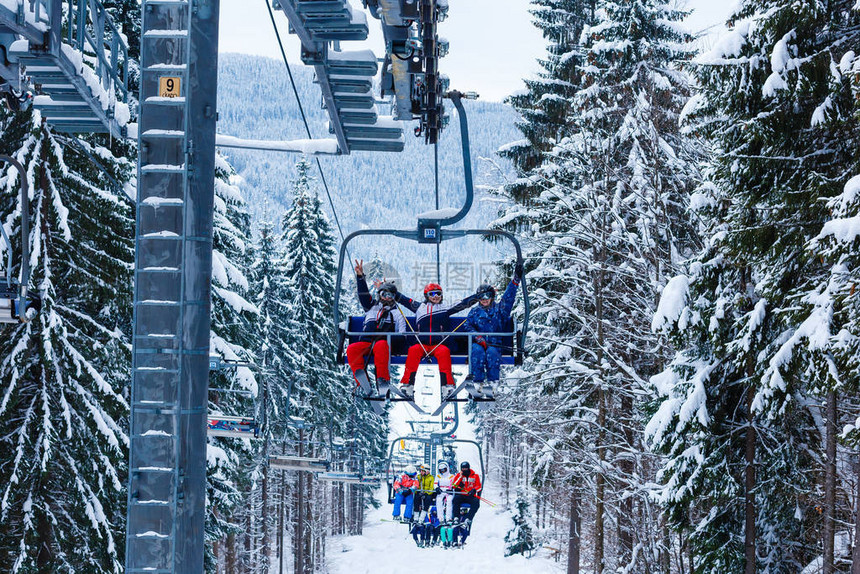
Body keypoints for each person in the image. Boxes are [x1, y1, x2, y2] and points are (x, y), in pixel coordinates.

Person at [395, 283, 478, 398]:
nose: (436, 296)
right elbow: (403, 300)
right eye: (432, 294)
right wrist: (391, 290)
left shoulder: (445, 308)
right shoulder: (419, 308)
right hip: (422, 344)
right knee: (413, 351)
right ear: (426, 295)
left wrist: (478, 296)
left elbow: (463, 304)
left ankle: (447, 386)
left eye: (438, 293)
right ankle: (408, 384)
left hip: (438, 344)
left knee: (444, 353)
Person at [346, 259, 406, 393]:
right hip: (367, 343)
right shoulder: (371, 307)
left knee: (381, 345)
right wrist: (360, 277)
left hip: (383, 345)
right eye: (384, 294)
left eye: (390, 295)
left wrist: (388, 339)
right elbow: (363, 296)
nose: (387, 298)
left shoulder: (396, 314)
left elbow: (402, 335)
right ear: (380, 295)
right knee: (352, 349)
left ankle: (382, 381)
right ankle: (362, 381)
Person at [464, 261, 523, 395]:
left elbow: (508, 298)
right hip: (479, 342)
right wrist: (476, 336)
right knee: (477, 351)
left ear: (492, 297)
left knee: (492, 353)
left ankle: (493, 382)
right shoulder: (474, 312)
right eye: (481, 297)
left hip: (494, 343)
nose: (484, 299)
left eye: (487, 296)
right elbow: (467, 325)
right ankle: (477, 382)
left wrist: (515, 281)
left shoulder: (499, 310)